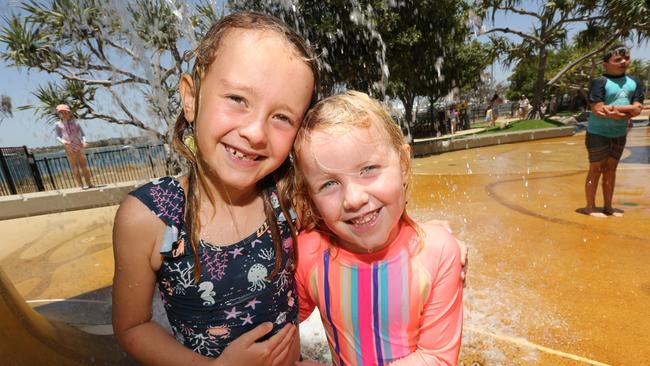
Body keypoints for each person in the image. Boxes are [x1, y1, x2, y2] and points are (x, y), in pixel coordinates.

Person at [111, 12, 319, 365]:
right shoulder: (150, 218)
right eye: (238, 99)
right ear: (191, 98)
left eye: (282, 117)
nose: (255, 132)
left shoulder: (289, 196)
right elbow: (133, 326)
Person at [291, 91, 463, 365]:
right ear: (309, 197)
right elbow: (278, 328)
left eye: (368, 169)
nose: (354, 198)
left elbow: (436, 358)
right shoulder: (309, 253)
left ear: (404, 165)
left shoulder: (438, 252)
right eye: (329, 184)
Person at [582, 45, 645, 218]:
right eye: (617, 59)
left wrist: (617, 112)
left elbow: (639, 107)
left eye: (626, 58)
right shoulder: (600, 82)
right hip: (598, 132)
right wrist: (628, 112)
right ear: (605, 64)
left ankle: (608, 206)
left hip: (619, 133)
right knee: (596, 169)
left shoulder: (635, 82)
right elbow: (598, 109)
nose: (623, 61)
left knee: (611, 169)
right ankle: (590, 207)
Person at [55, 104, 93, 188]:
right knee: (74, 166)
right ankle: (80, 185)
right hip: (69, 147)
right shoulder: (58, 124)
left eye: (65, 112)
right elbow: (57, 136)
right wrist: (63, 141)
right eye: (61, 112)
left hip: (79, 145)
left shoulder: (76, 122)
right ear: (59, 114)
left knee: (84, 166)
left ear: (69, 112)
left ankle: (89, 183)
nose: (64, 114)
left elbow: (82, 134)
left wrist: (84, 141)